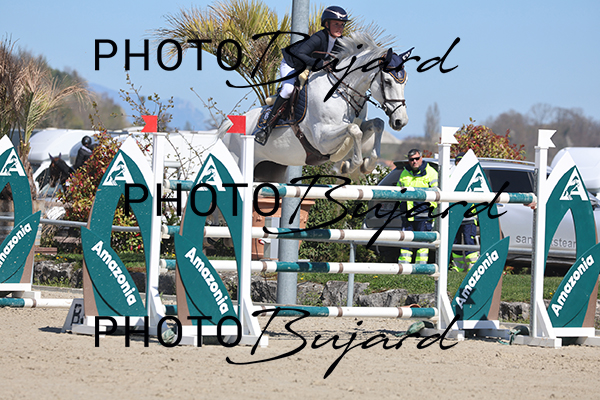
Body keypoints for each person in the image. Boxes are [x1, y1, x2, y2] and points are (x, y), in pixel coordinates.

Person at [253, 5, 348, 145]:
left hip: (310, 66)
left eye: (342, 25)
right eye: (336, 24)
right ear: (327, 24)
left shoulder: (341, 42)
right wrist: (321, 63)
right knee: (288, 89)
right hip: (292, 63)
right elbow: (299, 54)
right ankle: (266, 128)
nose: (340, 28)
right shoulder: (319, 37)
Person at [397, 149, 438, 264]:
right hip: (407, 215)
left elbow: (437, 194)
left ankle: (421, 268)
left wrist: (429, 209)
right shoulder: (404, 173)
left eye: (416, 158)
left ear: (421, 158)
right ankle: (404, 267)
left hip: (423, 215)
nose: (414, 161)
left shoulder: (431, 173)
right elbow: (398, 192)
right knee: (405, 243)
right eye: (411, 159)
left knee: (422, 244)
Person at [450, 152, 480, 271]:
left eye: (461, 161)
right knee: (455, 242)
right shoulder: (452, 176)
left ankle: (472, 266)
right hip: (455, 215)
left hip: (469, 216)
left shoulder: (473, 176)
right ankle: (458, 267)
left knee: (469, 241)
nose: (459, 163)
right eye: (457, 161)